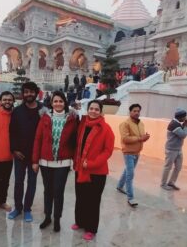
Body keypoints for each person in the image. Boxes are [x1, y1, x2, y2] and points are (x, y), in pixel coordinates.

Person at [32, 91, 78, 232]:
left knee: (58, 191)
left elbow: (76, 142)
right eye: (55, 101)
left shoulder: (72, 119)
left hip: (63, 163)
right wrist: (35, 161)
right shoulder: (45, 117)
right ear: (51, 103)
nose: (58, 104)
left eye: (60, 101)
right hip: (45, 162)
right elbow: (38, 139)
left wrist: (74, 161)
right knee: (48, 191)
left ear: (65, 102)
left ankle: (57, 218)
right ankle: (47, 217)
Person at [72, 100, 114, 241]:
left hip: (96, 172)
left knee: (93, 201)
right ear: (87, 109)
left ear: (100, 112)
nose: (93, 111)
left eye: (97, 109)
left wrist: (91, 163)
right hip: (80, 168)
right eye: (91, 108)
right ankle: (80, 221)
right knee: (81, 197)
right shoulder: (82, 125)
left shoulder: (106, 129)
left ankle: (91, 228)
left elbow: (107, 151)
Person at [8, 82, 43, 222]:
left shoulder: (43, 110)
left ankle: (27, 209)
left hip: (35, 155)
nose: (29, 94)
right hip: (20, 154)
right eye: (26, 92)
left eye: (31, 92)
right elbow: (12, 132)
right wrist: (14, 150)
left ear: (36, 93)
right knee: (18, 182)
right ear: (23, 94)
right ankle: (18, 208)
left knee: (32, 182)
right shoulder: (17, 111)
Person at [116, 104, 150, 207]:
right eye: (134, 111)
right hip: (128, 153)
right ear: (130, 112)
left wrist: (145, 137)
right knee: (130, 175)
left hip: (137, 152)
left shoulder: (141, 124)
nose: (136, 113)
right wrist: (140, 138)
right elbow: (125, 139)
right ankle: (130, 198)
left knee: (127, 170)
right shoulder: (125, 124)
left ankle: (119, 186)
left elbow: (140, 136)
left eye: (138, 111)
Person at [161, 108, 187, 190]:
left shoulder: (178, 123)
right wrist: (186, 126)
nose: (185, 118)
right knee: (168, 167)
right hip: (171, 149)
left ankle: (171, 182)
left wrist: (184, 125)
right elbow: (183, 135)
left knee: (178, 167)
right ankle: (163, 184)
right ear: (180, 117)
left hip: (178, 149)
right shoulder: (173, 124)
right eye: (184, 116)